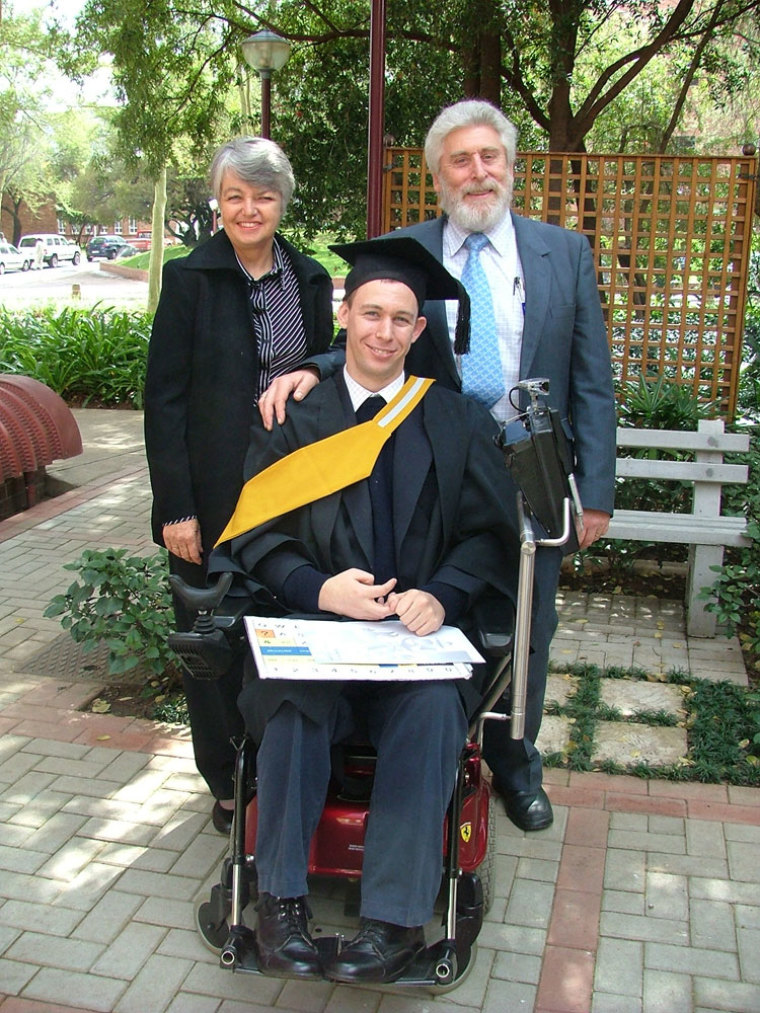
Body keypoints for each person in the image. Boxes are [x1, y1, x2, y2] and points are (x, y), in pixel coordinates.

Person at [210, 236, 520, 983]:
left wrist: (439, 593)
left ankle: (391, 921)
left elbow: (489, 535)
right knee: (291, 704)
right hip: (320, 633)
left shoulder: (456, 421)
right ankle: (279, 907)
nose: (383, 330)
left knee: (430, 711)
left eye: (401, 319)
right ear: (343, 314)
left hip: (417, 641)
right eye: (370, 311)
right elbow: (253, 536)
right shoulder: (294, 418)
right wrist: (321, 590)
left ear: (420, 332)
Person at [389, 99, 617, 831]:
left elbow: (592, 382)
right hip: (432, 478)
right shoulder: (404, 252)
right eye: (461, 159)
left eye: (490, 156)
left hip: (533, 474)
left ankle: (514, 765)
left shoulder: (564, 252)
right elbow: (366, 346)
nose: (478, 172)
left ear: (511, 166)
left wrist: (598, 493)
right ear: (438, 175)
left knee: (527, 628)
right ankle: (431, 758)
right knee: (432, 615)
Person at [144, 137, 339, 835]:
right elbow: (163, 397)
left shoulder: (310, 278)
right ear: (218, 202)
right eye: (235, 196)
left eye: (263, 196)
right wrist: (176, 506)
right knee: (211, 643)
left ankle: (280, 767)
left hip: (293, 498)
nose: (248, 209)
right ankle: (226, 780)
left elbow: (331, 362)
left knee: (283, 632)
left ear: (281, 202)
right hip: (213, 500)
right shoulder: (190, 279)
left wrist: (316, 364)